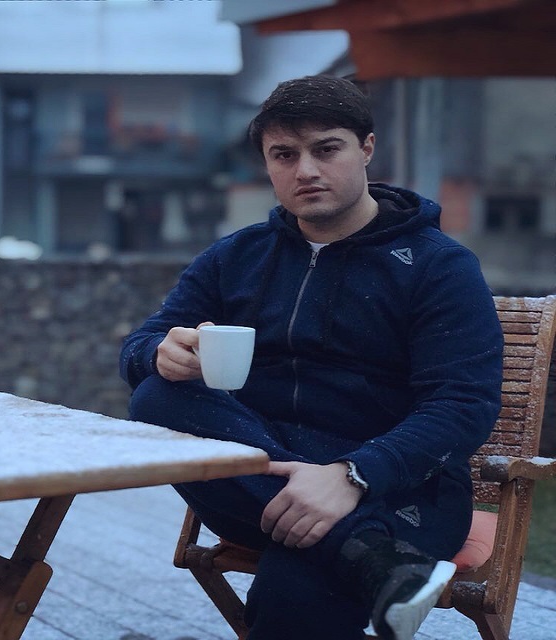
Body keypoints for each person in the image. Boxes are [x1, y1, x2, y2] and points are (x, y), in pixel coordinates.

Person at [119, 75, 503, 640]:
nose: (306, 170)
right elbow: (141, 344)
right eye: (284, 155)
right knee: (157, 393)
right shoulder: (236, 257)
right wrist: (159, 352)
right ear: (267, 164)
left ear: (366, 149)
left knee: (295, 589)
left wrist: (353, 476)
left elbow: (464, 404)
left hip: (399, 490)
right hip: (262, 481)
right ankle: (369, 554)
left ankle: (365, 545)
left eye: (326, 149)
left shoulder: (437, 266)